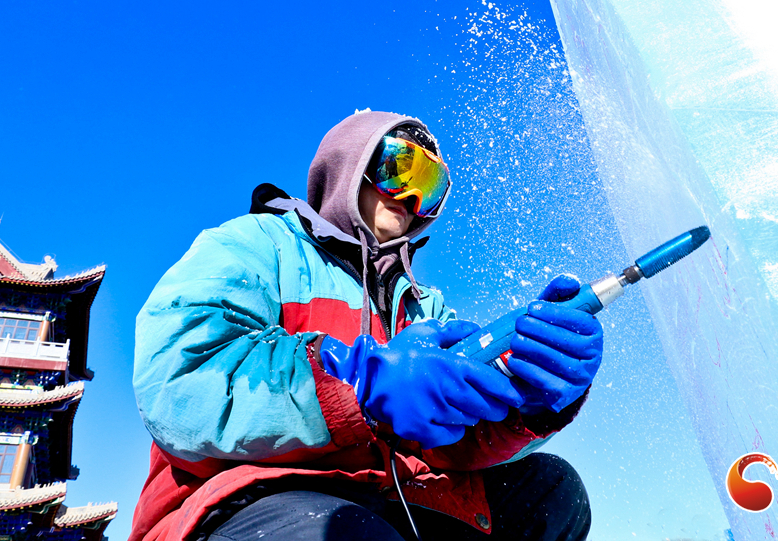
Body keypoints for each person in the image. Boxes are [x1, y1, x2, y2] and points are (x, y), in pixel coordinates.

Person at [129, 110, 603, 541]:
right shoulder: (258, 244)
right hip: (258, 499)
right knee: (351, 532)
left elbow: (451, 446)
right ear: (350, 162)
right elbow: (182, 376)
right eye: (400, 169)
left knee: (552, 491)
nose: (414, 198)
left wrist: (528, 399)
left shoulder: (422, 306)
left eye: (431, 186)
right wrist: (358, 388)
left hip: (397, 497)